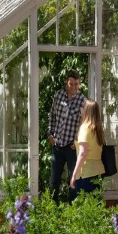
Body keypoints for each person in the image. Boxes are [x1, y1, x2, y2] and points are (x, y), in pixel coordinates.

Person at [47, 69, 86, 202]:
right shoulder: (58, 96)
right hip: (57, 145)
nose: (74, 87)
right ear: (66, 82)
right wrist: (50, 134)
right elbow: (52, 115)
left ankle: (72, 211)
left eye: (76, 84)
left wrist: (77, 141)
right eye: (71, 84)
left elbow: (84, 124)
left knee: (72, 180)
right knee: (54, 180)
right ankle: (53, 210)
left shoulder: (82, 101)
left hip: (71, 147)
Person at [69, 99, 105, 197]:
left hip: (86, 174)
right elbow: (92, 147)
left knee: (84, 207)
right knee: (95, 207)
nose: (80, 109)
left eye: (82, 107)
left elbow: (83, 154)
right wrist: (77, 145)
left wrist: (74, 175)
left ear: (86, 110)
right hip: (99, 172)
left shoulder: (85, 128)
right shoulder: (98, 129)